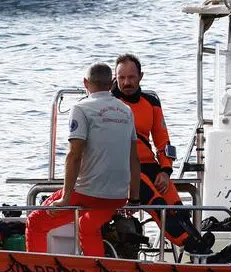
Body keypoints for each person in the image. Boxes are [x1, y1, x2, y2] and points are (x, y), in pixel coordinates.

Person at [26, 62, 140, 257]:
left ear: (85, 83)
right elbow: (134, 159)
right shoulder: (126, 111)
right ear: (112, 82)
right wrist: (134, 199)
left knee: (35, 222)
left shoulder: (81, 108)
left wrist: (66, 198)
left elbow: (74, 154)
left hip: (88, 192)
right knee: (86, 225)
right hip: (118, 196)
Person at [111, 53, 214, 256]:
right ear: (115, 78)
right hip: (125, 168)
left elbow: (163, 142)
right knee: (158, 204)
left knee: (177, 206)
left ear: (141, 76)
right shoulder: (109, 104)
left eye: (131, 77)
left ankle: (199, 245)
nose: (126, 82)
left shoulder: (151, 103)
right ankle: (192, 245)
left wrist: (165, 170)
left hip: (150, 166)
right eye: (121, 78)